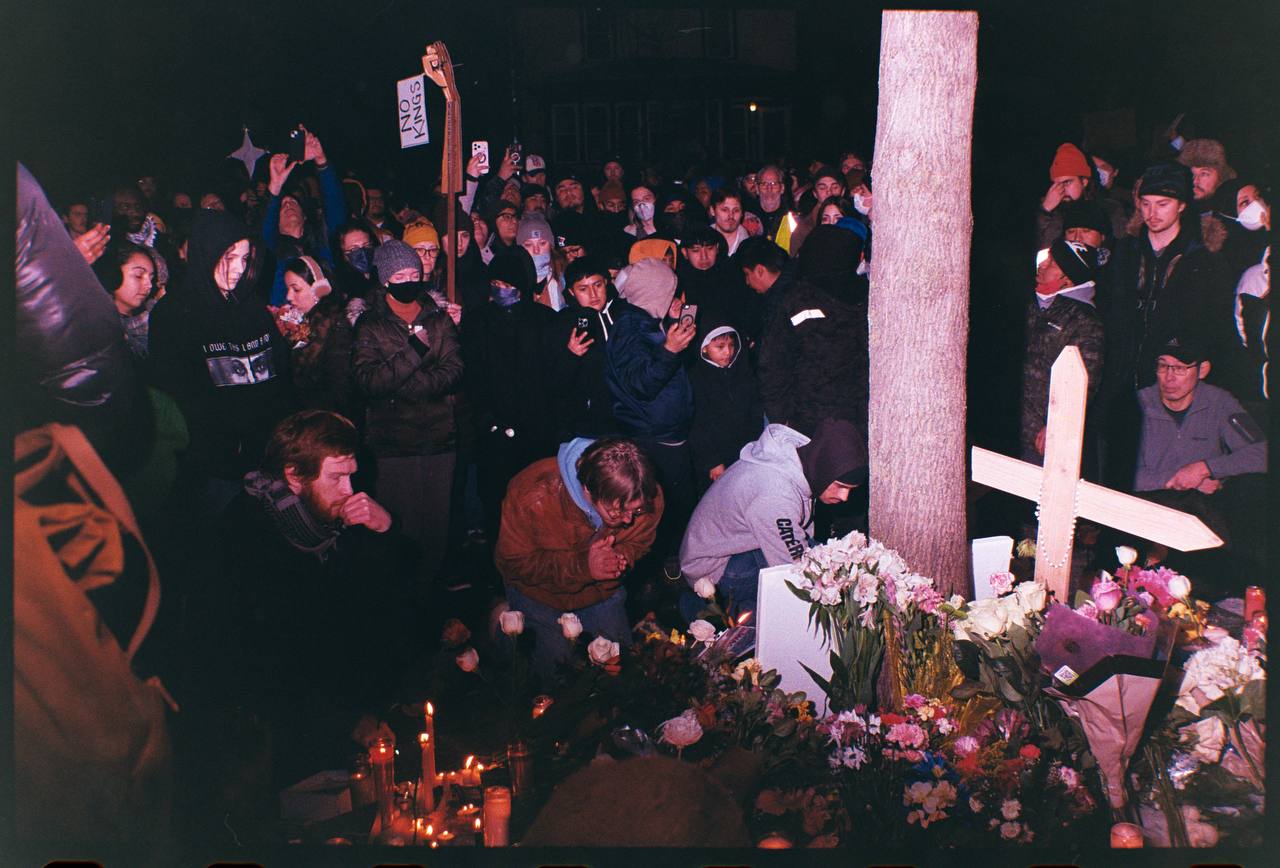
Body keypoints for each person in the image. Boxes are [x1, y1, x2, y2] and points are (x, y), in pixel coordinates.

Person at [203, 410, 410, 790]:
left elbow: (381, 607)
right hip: (281, 730)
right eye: (337, 478)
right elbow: (269, 658)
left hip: (340, 706)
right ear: (294, 477)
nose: (350, 490)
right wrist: (349, 720)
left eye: (352, 475)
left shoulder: (327, 522)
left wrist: (386, 530)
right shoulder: (249, 534)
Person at [148, 209, 296, 516]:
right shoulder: (173, 314)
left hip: (269, 462)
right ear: (206, 253)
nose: (238, 269)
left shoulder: (253, 309)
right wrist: (226, 448)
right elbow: (177, 397)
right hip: (213, 473)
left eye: (245, 258)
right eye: (228, 257)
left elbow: (281, 380)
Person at [495, 437, 663, 685]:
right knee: (558, 679)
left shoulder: (647, 498)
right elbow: (515, 563)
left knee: (620, 670)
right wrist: (584, 567)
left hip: (600, 594)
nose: (628, 519)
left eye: (635, 511)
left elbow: (639, 543)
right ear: (587, 490)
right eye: (617, 511)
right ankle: (501, 629)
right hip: (539, 593)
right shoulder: (531, 493)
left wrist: (618, 559)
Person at [352, 240, 463, 591]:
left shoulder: (438, 317)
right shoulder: (370, 324)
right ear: (385, 279)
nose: (408, 281)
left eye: (414, 274)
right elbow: (368, 380)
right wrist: (414, 351)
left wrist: (407, 384)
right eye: (400, 276)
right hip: (394, 443)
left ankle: (431, 596)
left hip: (439, 438)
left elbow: (454, 368)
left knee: (437, 529)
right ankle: (404, 597)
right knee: (401, 527)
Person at [678, 418, 868, 622]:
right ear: (823, 469)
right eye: (840, 486)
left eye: (850, 490)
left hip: (725, 545)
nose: (844, 497)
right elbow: (794, 570)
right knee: (813, 585)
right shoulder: (776, 496)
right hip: (712, 568)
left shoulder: (798, 460)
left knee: (827, 561)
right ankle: (701, 608)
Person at [1130, 335, 1267, 585]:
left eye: (1180, 368)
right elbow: (1119, 475)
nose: (1169, 377)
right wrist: (1179, 479)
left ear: (1202, 370)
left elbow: (1262, 453)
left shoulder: (1219, 402)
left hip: (1202, 511)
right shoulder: (1138, 404)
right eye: (1163, 366)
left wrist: (1208, 468)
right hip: (1150, 507)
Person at [607, 257, 697, 560]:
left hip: (665, 432)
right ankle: (666, 566)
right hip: (652, 437)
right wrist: (670, 350)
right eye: (668, 291)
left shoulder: (646, 320)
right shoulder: (628, 328)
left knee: (677, 506)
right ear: (653, 292)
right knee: (664, 510)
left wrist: (671, 326)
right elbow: (640, 384)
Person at [463, 246, 557, 537]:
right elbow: (472, 376)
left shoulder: (544, 320)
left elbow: (552, 378)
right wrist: (487, 419)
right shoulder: (477, 321)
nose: (501, 290)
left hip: (535, 431)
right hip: (494, 431)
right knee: (496, 505)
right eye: (496, 284)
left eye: (508, 285)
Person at [758, 224, 869, 439]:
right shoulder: (870, 297)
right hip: (860, 417)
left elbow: (772, 364)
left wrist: (780, 418)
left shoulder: (796, 299)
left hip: (809, 422)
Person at [1019, 240, 1104, 467]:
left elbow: (1085, 382)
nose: (1042, 266)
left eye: (1052, 263)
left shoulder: (1085, 321)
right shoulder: (1028, 301)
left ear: (1068, 279)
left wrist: (1057, 425)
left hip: (1037, 438)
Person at [261, 125, 346, 305]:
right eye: (282, 205)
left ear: (305, 215)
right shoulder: (271, 252)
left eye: (293, 202)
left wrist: (321, 161)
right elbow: (264, 227)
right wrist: (275, 187)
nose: (288, 204)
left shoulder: (323, 242)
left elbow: (335, 204)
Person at [544, 255, 621, 441]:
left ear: (606, 283)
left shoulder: (623, 314)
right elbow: (553, 385)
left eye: (598, 285)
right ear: (571, 292)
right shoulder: (561, 324)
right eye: (583, 289)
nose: (593, 295)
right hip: (583, 428)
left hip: (624, 422)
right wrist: (571, 356)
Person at [273, 256, 356, 416]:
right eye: (288, 289)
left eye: (296, 289)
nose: (289, 297)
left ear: (319, 289)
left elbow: (338, 390)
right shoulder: (304, 321)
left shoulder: (334, 325)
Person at [688, 325, 765, 491]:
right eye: (720, 347)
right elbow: (696, 425)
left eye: (731, 345)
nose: (728, 352)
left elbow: (755, 411)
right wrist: (712, 461)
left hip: (746, 452)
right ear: (704, 348)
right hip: (717, 458)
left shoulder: (743, 372)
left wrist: (755, 446)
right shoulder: (696, 378)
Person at [1035, 143, 1126, 251]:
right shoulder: (1050, 211)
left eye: (1067, 182)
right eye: (1056, 184)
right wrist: (1045, 210)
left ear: (1084, 182)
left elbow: (1121, 247)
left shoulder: (1109, 209)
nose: (1061, 189)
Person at [96, 242, 159, 359]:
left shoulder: (157, 315)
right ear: (113, 274)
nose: (149, 285)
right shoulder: (99, 328)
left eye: (151, 278)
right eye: (138, 275)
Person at [708, 188, 749, 255]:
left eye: (736, 210)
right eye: (725, 210)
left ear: (742, 213)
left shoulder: (749, 246)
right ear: (712, 210)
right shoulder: (701, 240)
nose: (731, 216)